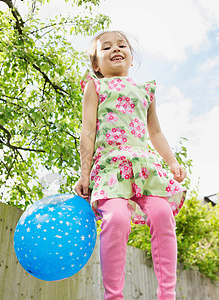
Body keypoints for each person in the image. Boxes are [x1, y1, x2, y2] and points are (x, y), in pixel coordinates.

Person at [74, 30, 187, 300]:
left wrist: (172, 162)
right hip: (111, 167)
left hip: (145, 167)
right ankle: (114, 296)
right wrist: (84, 174)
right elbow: (87, 131)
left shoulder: (145, 91)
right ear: (96, 65)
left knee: (162, 215)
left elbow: (156, 133)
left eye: (122, 45)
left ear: (131, 57)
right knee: (117, 218)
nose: (116, 49)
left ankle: (167, 294)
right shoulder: (96, 86)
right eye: (107, 47)